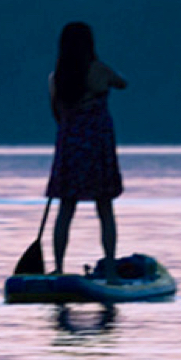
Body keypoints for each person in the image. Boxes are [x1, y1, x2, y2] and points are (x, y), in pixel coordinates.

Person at [46, 21, 127, 280]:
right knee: (104, 208)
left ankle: (58, 268)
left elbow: (57, 115)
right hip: (97, 149)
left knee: (65, 209)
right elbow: (123, 83)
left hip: (70, 149)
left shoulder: (56, 78)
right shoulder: (99, 71)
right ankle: (112, 271)